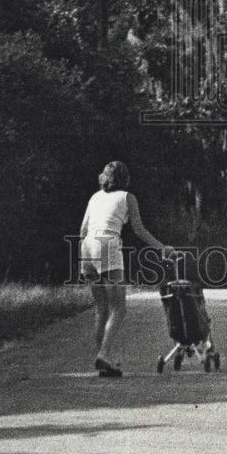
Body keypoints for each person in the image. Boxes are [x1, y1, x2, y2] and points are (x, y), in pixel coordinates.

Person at [79, 160, 173, 377]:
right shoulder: (127, 197)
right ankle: (103, 354)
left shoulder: (95, 197)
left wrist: (85, 258)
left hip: (87, 246)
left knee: (101, 308)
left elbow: (83, 229)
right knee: (119, 308)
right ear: (125, 179)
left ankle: (103, 358)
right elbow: (139, 230)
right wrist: (162, 248)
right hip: (107, 245)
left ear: (105, 177)